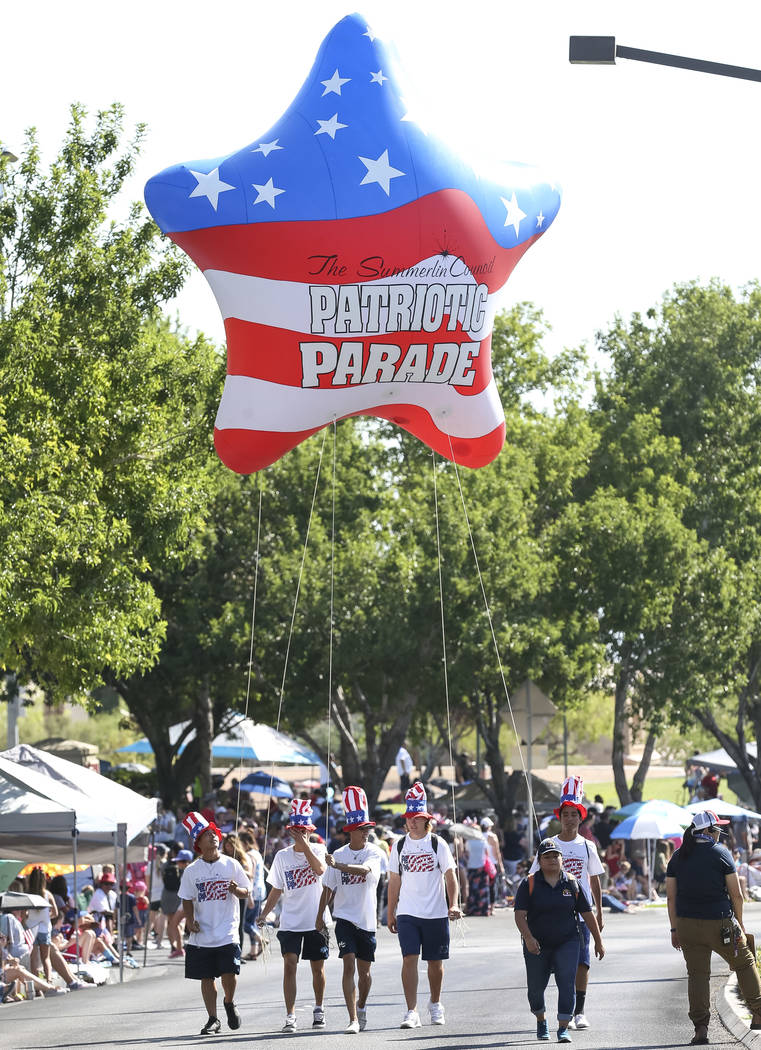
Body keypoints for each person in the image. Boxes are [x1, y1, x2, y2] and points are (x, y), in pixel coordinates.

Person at [666, 809, 761, 1045]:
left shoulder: (677, 856)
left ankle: (701, 1028)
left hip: (687, 925)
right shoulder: (720, 853)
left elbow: (670, 897)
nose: (719, 834)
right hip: (720, 923)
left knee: (697, 975)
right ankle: (758, 1013)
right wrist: (739, 922)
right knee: (745, 961)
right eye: (717, 829)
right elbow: (736, 895)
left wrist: (674, 929)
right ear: (707, 831)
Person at [528, 775, 604, 1031]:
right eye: (566, 814)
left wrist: (599, 914)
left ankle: (579, 1011)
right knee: (561, 967)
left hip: (581, 915)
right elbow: (532, 879)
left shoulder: (587, 846)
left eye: (574, 814)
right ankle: (564, 1010)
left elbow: (594, 882)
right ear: (560, 817)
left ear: (580, 817)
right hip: (554, 916)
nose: (570, 818)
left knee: (582, 962)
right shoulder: (549, 845)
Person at [387, 782, 462, 1029]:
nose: (412, 822)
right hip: (408, 912)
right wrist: (391, 912)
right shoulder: (399, 845)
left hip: (436, 912)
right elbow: (394, 881)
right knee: (409, 958)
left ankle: (436, 1003)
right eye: (409, 818)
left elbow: (451, 876)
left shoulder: (437, 843)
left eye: (417, 818)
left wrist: (453, 904)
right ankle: (411, 1011)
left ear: (426, 819)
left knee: (435, 963)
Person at [514, 839, 605, 1043]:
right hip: (537, 944)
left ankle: (563, 1027)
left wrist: (598, 941)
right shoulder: (529, 883)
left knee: (566, 983)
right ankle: (541, 1019)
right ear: (540, 860)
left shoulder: (572, 882)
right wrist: (528, 938)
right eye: (547, 856)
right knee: (536, 989)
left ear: (562, 859)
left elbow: (587, 913)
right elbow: (519, 915)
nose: (552, 859)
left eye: (556, 855)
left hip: (567, 941)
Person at [258, 798, 328, 1034]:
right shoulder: (282, 857)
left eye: (303, 830)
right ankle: (291, 1014)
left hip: (316, 920)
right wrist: (264, 913)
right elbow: (276, 889)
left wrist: (305, 845)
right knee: (290, 966)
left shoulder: (318, 849)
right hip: (290, 921)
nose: (299, 834)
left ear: (309, 830)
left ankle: (319, 1009)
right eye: (295, 830)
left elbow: (320, 871)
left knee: (317, 968)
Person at [179, 810, 251, 1036]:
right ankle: (213, 1018)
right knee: (206, 977)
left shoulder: (232, 864)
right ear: (198, 842)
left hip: (227, 930)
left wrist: (236, 890)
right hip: (203, 933)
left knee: (230, 973)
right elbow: (186, 897)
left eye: (214, 832)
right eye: (207, 834)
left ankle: (229, 1002)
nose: (213, 836)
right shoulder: (192, 871)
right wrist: (189, 920)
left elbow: (246, 891)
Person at [317, 786, 383, 1034]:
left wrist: (339, 865)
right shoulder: (338, 853)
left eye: (367, 829)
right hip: (344, 918)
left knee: (365, 973)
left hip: (366, 920)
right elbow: (328, 889)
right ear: (351, 831)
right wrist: (319, 916)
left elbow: (365, 871)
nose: (366, 833)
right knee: (348, 964)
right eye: (362, 829)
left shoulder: (374, 852)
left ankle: (362, 1005)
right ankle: (353, 1018)